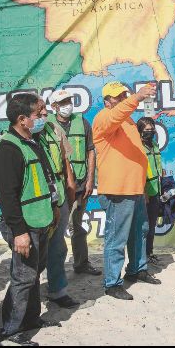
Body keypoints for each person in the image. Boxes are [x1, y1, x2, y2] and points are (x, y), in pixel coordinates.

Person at [0, 93, 62, 347]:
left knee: (34, 273)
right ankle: (11, 329)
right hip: (23, 224)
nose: (45, 115)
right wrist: (19, 232)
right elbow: (7, 196)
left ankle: (31, 319)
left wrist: (54, 207)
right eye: (39, 112)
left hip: (41, 218)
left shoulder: (33, 141)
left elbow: (46, 178)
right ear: (22, 119)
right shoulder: (8, 148)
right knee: (23, 277)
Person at [93, 81, 161, 301]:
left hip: (134, 188)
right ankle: (112, 282)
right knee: (117, 237)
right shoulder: (104, 117)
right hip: (117, 190)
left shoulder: (128, 121)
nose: (123, 98)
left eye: (125, 94)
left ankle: (137, 269)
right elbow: (116, 115)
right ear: (107, 101)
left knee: (140, 230)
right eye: (118, 96)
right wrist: (137, 97)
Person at [46, 90, 101, 277]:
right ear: (54, 106)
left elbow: (91, 151)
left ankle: (81, 263)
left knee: (76, 224)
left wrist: (90, 179)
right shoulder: (47, 125)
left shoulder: (82, 122)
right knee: (54, 228)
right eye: (63, 102)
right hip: (57, 186)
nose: (68, 105)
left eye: (69, 100)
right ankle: (54, 269)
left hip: (80, 183)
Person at [37, 98, 80, 309]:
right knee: (34, 251)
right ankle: (28, 294)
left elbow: (65, 160)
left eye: (45, 110)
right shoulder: (17, 138)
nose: (45, 114)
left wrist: (70, 187)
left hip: (58, 193)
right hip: (35, 200)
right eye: (40, 111)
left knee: (57, 246)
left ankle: (57, 290)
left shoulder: (54, 129)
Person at [137, 117, 163, 266]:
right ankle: (141, 256)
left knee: (152, 225)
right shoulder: (138, 147)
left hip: (156, 190)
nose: (150, 132)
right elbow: (137, 171)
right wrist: (143, 192)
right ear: (140, 131)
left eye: (152, 129)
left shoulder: (154, 145)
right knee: (143, 227)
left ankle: (149, 253)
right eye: (147, 130)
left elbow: (157, 165)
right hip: (145, 192)